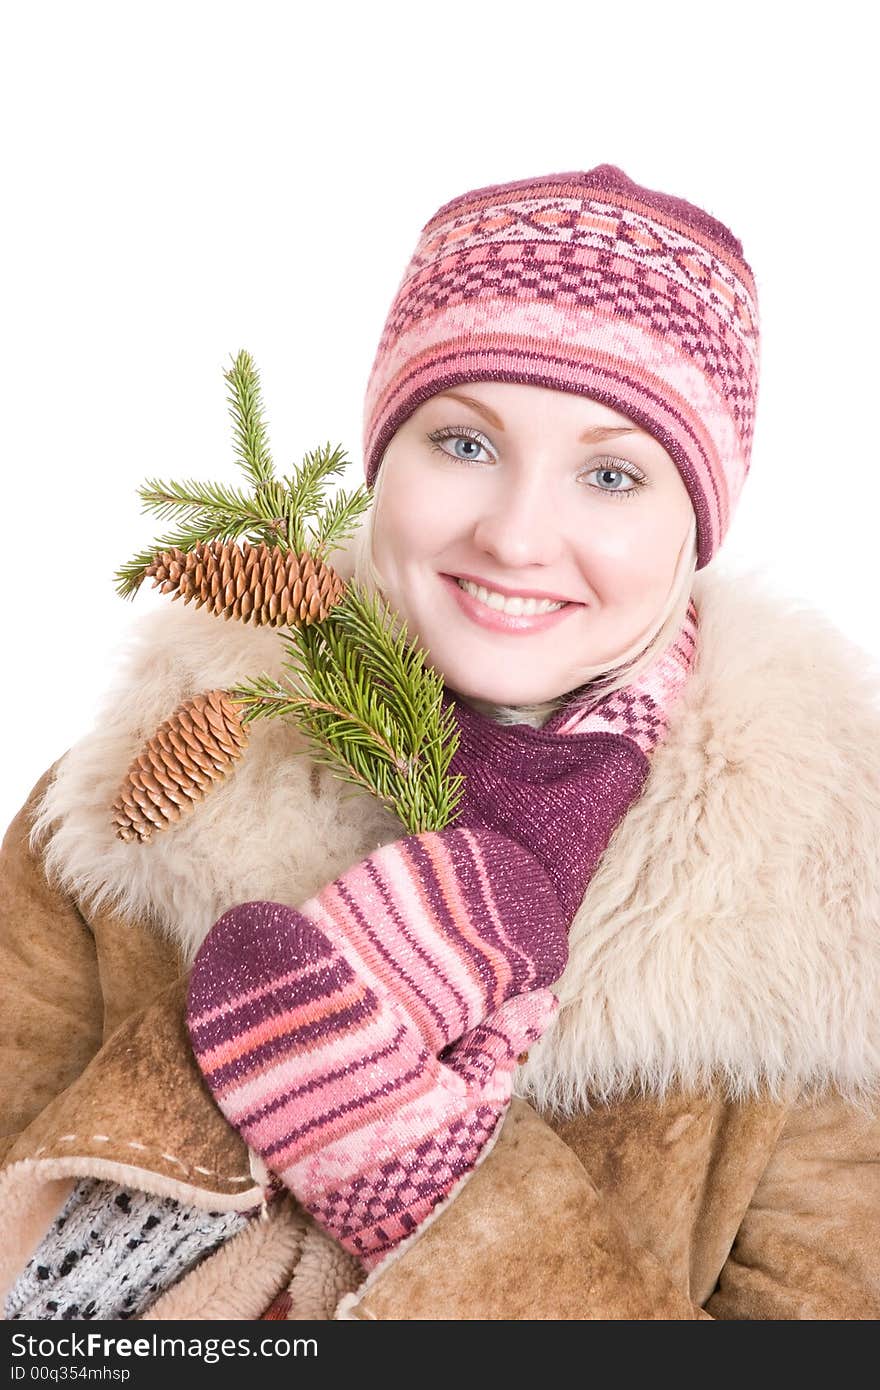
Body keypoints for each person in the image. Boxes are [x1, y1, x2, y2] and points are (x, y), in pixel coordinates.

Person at [1, 164, 878, 1320]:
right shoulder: (138, 797)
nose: (516, 534)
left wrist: (410, 1173)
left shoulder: (826, 905)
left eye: (611, 473)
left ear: (694, 524)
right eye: (463, 444)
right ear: (384, 458)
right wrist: (273, 1021)